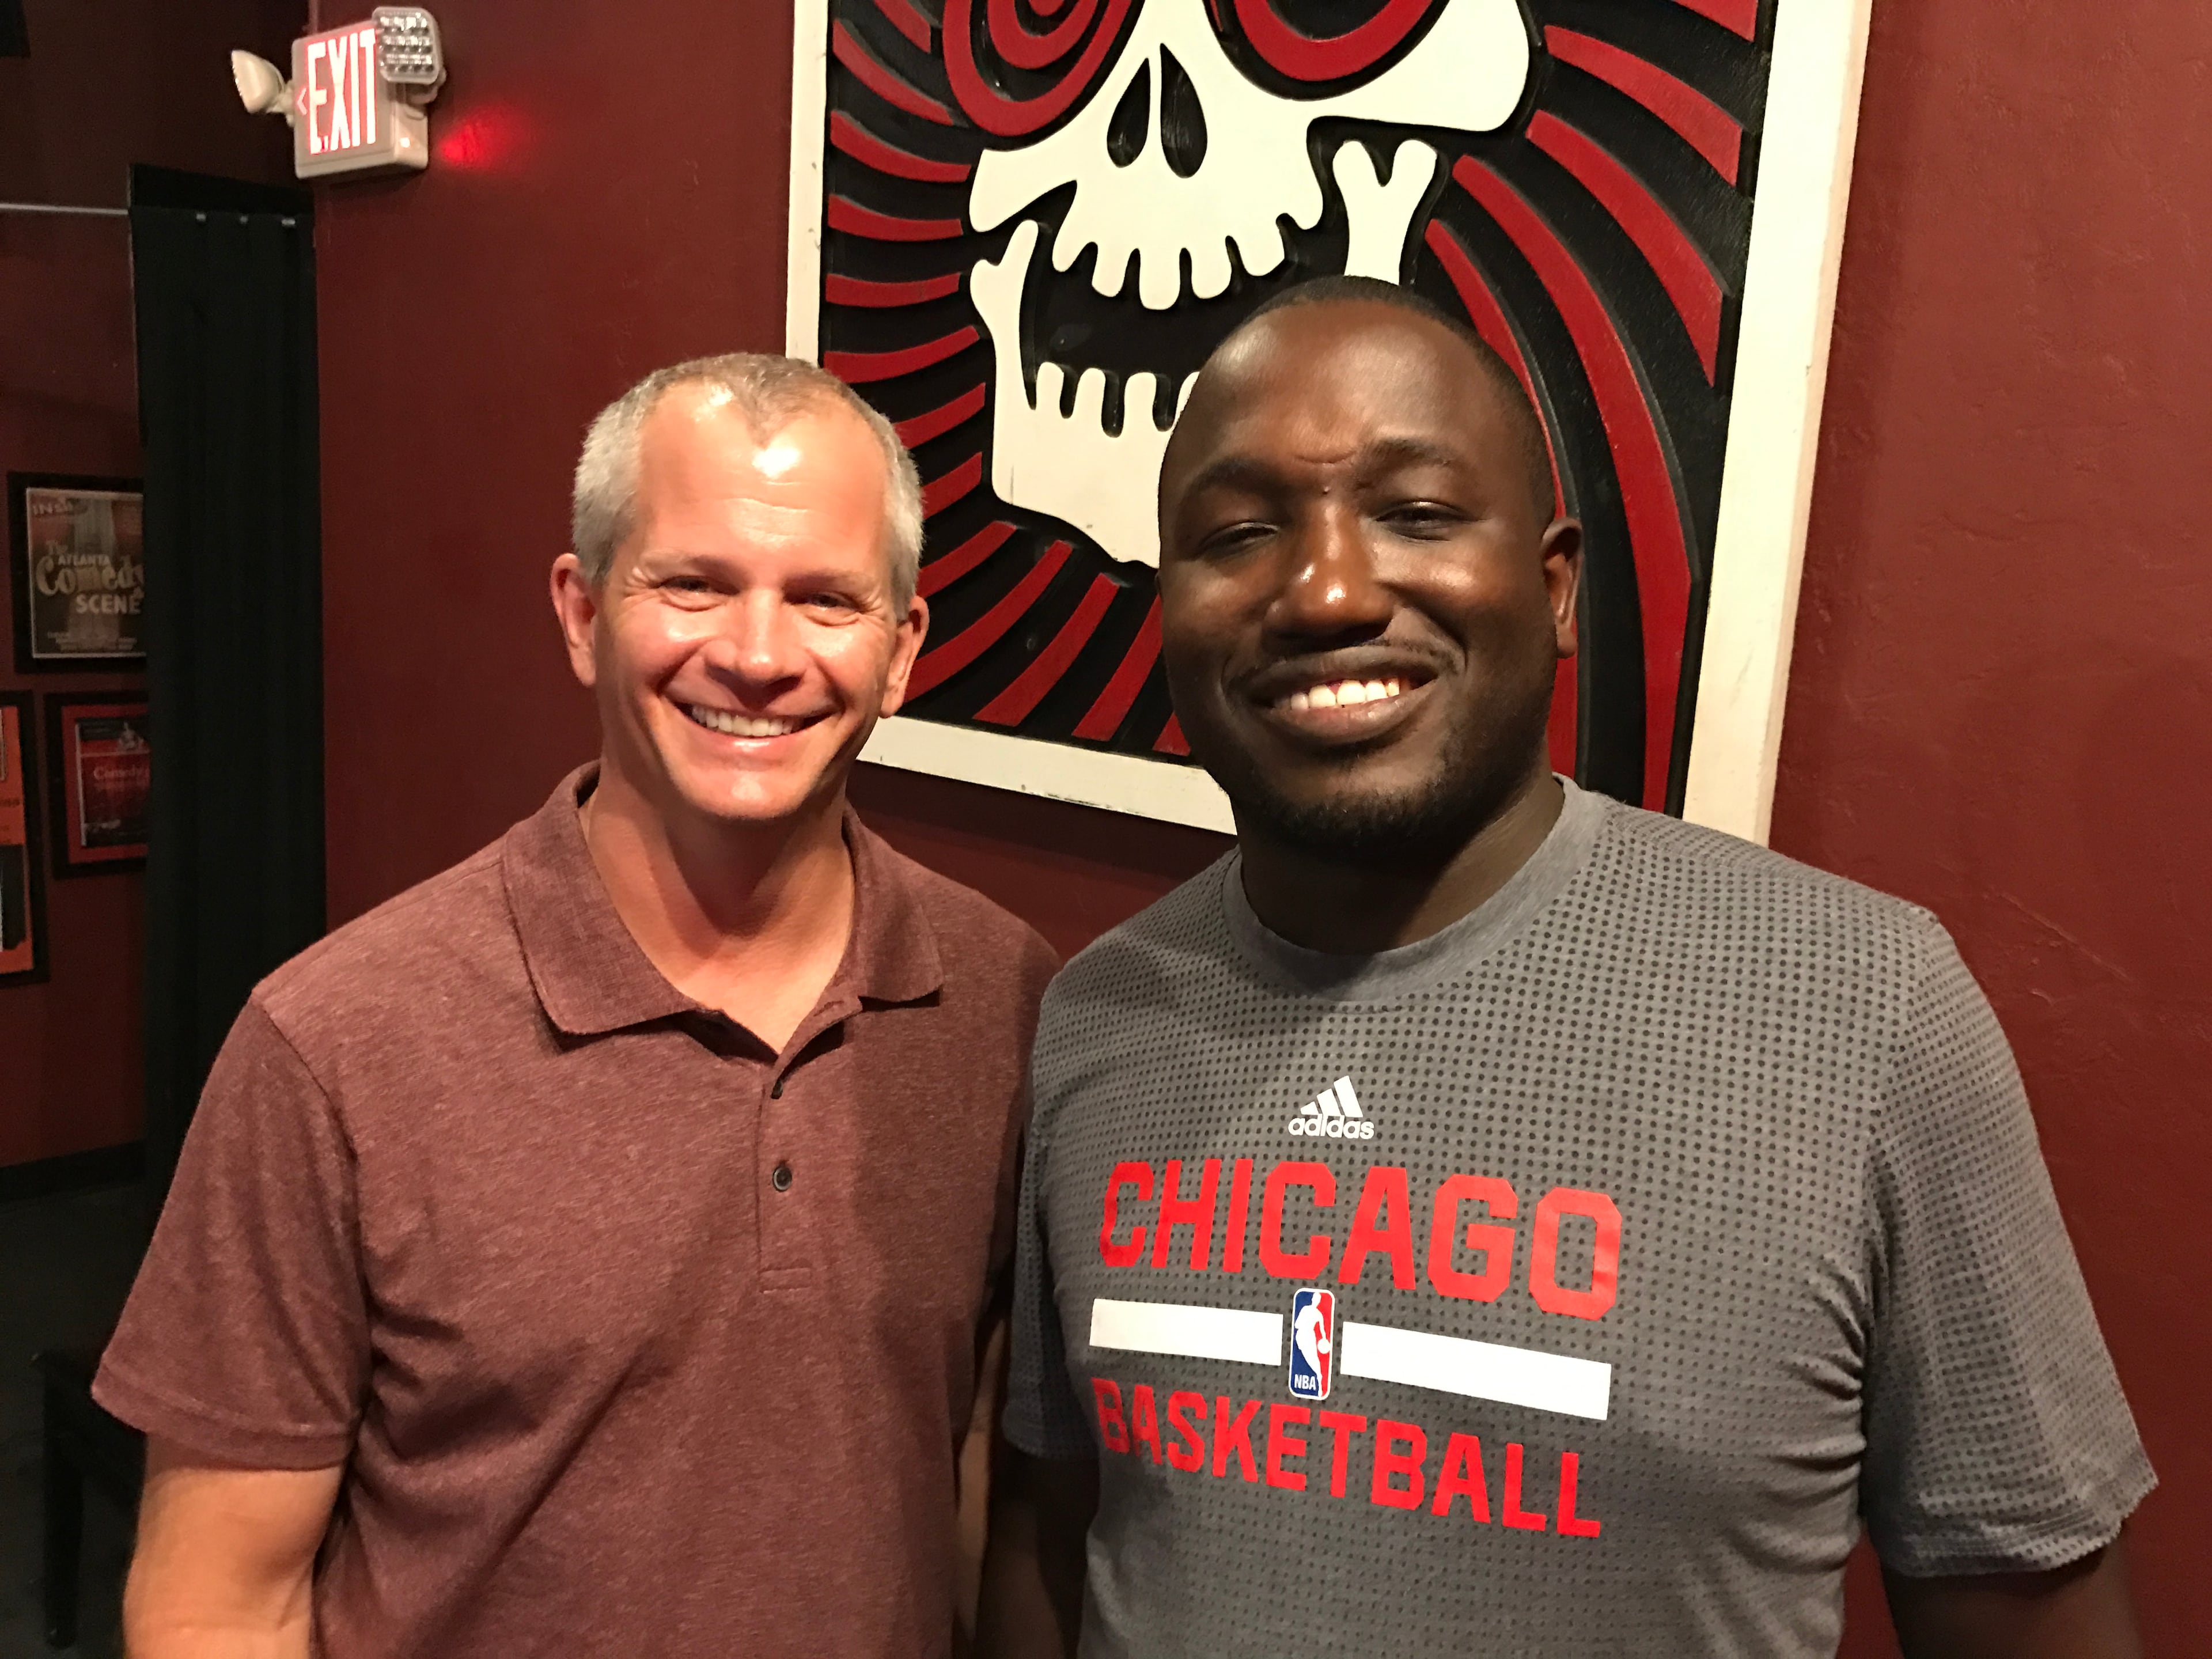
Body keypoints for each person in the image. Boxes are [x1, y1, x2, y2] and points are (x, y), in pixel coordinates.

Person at [977, 278, 2153, 1657]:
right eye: (1240, 533)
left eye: (1416, 513)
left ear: (1553, 588)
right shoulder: (1096, 1018)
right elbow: (1049, 1543)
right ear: (1169, 604)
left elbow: (2030, 1609)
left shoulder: (1864, 1008)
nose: (1330, 589)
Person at [97, 353, 1058, 1658]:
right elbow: (218, 1604)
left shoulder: (1008, 1001)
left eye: (827, 599)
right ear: (583, 610)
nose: (761, 655)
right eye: (693, 584)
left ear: (901, 652)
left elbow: (974, 1496)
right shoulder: (335, 1042)